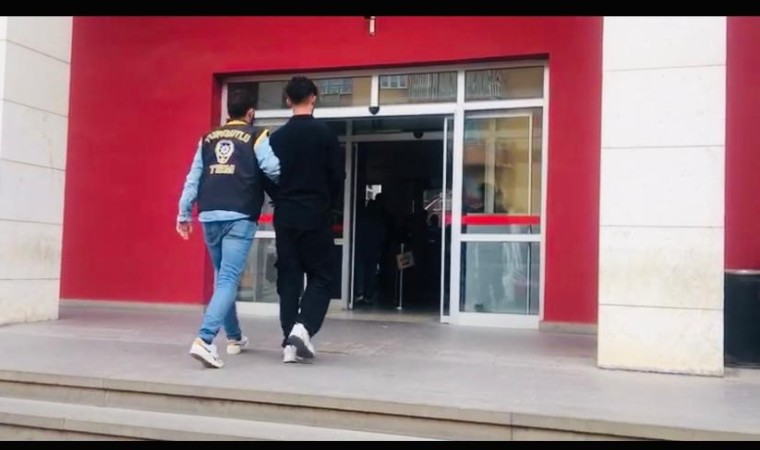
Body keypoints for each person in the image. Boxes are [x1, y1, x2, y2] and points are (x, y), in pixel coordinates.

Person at [176, 91, 280, 369]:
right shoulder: (256, 135)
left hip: (209, 215)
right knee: (228, 280)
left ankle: (234, 337)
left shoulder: (208, 139)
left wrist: (184, 214)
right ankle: (205, 339)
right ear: (250, 113)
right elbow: (273, 169)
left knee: (223, 278)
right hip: (240, 215)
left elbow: (193, 178)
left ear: (227, 114)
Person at [269, 76, 345, 364]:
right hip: (316, 213)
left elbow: (266, 175)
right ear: (314, 97)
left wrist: (280, 197)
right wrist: (330, 205)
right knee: (322, 276)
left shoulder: (277, 138)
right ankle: (302, 329)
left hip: (285, 215)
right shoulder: (325, 134)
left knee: (288, 279)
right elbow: (337, 176)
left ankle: (289, 345)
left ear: (288, 100)